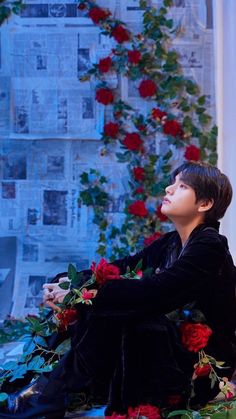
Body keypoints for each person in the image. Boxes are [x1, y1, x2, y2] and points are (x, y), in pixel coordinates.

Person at [0, 161, 236, 419]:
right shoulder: (170, 243)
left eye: (181, 186)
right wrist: (68, 284)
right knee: (102, 302)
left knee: (113, 310)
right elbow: (121, 267)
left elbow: (157, 292)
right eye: (173, 182)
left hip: (199, 366)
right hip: (169, 348)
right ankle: (33, 384)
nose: (168, 189)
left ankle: (46, 396)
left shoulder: (210, 246)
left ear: (204, 204)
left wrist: (83, 296)